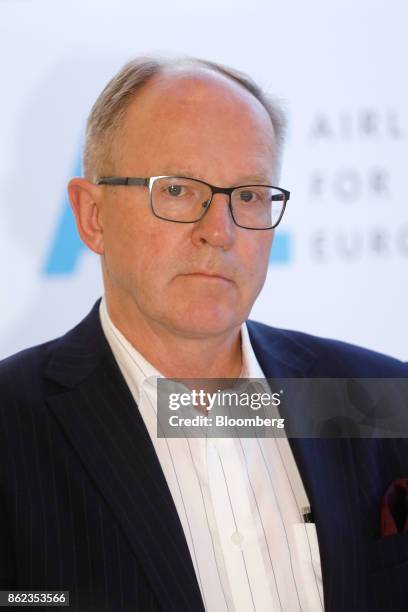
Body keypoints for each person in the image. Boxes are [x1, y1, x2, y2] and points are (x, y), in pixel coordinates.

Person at [0, 55, 407, 612]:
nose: (219, 230)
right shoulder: (12, 421)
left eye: (248, 195)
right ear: (92, 216)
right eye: (176, 191)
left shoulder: (382, 400)